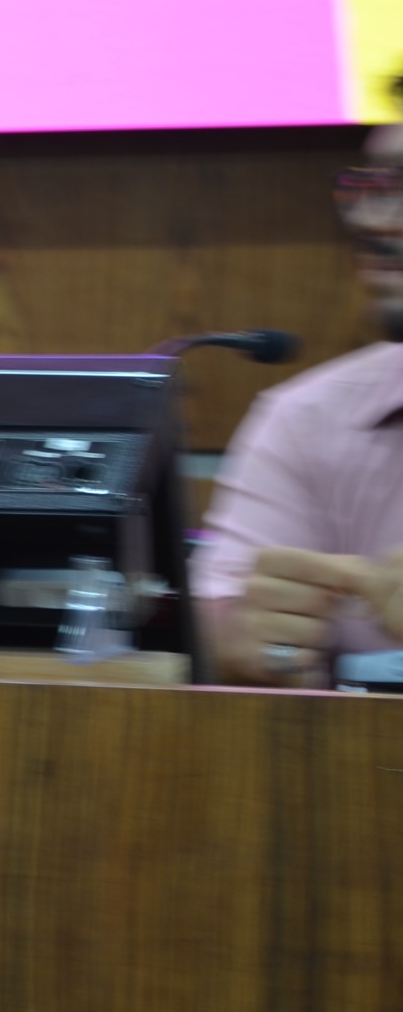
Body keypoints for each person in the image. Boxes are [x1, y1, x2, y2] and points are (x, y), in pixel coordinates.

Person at [194, 78, 403, 684]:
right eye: (372, 186)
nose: (369, 219)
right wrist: (253, 645)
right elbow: (218, 637)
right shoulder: (309, 417)